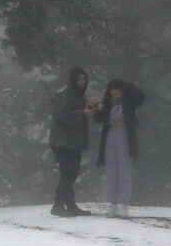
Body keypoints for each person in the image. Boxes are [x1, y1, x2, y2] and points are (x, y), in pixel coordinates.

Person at [48, 67, 96, 217]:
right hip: (63, 141)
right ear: (73, 80)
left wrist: (90, 109)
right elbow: (61, 116)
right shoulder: (66, 94)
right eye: (79, 79)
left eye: (84, 79)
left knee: (70, 173)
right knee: (68, 173)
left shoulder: (76, 94)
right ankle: (58, 205)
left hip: (71, 141)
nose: (82, 82)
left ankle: (69, 205)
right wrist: (82, 113)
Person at [95, 79, 145, 217]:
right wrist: (98, 109)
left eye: (117, 94)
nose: (115, 97)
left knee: (124, 172)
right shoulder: (107, 104)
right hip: (110, 136)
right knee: (111, 173)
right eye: (112, 94)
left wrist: (128, 85)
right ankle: (113, 203)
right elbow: (97, 118)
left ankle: (124, 204)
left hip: (124, 136)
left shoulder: (129, 102)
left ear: (122, 92)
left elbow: (141, 97)